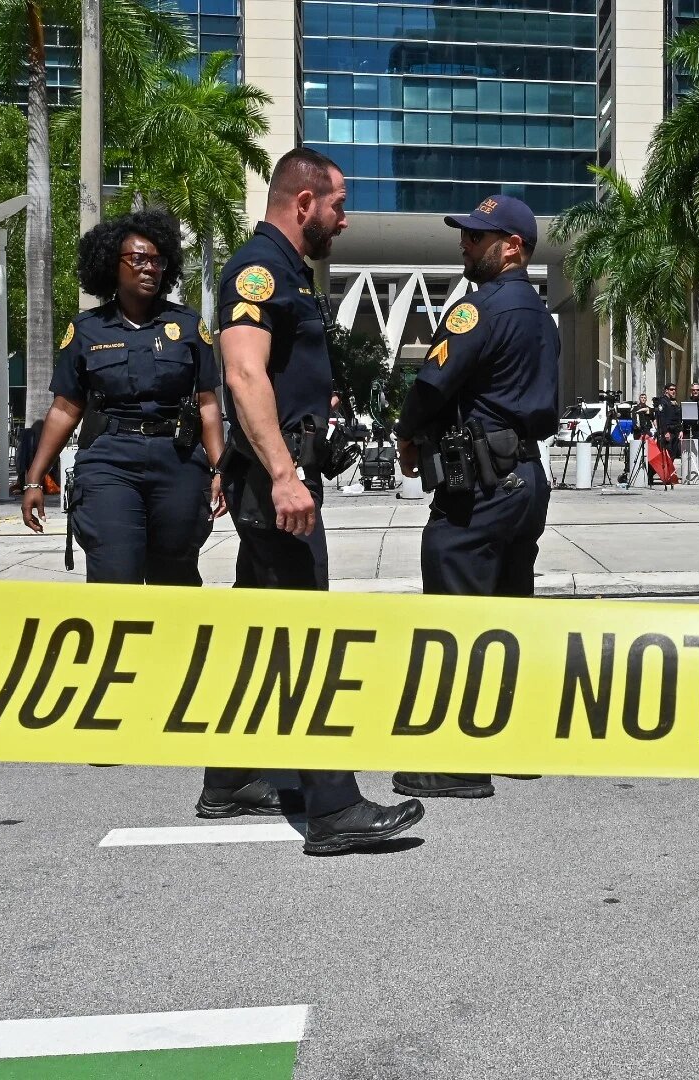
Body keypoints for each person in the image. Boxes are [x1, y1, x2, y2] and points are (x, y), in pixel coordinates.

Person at [206, 148, 425, 852]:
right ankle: (332, 810)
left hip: (278, 479)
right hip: (279, 489)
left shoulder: (289, 274)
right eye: (337, 203)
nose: (344, 215)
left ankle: (231, 778)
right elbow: (242, 375)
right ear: (303, 203)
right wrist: (281, 474)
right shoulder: (258, 270)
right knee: (309, 643)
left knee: (263, 634)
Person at [392, 193, 560, 799]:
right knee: (510, 614)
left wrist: (407, 434)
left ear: (511, 248)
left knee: (458, 612)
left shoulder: (477, 309)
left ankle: (458, 763)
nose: (465, 243)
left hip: (481, 485)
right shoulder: (540, 315)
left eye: (477, 237)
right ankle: (515, 742)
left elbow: (431, 383)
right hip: (524, 479)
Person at [21, 209, 225, 591]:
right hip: (109, 461)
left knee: (176, 579)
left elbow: (208, 403)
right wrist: (34, 479)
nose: (149, 268)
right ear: (111, 265)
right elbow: (66, 409)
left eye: (157, 260)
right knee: (115, 573)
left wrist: (220, 469)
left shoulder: (187, 326)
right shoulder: (86, 330)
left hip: (177, 461)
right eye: (137, 259)